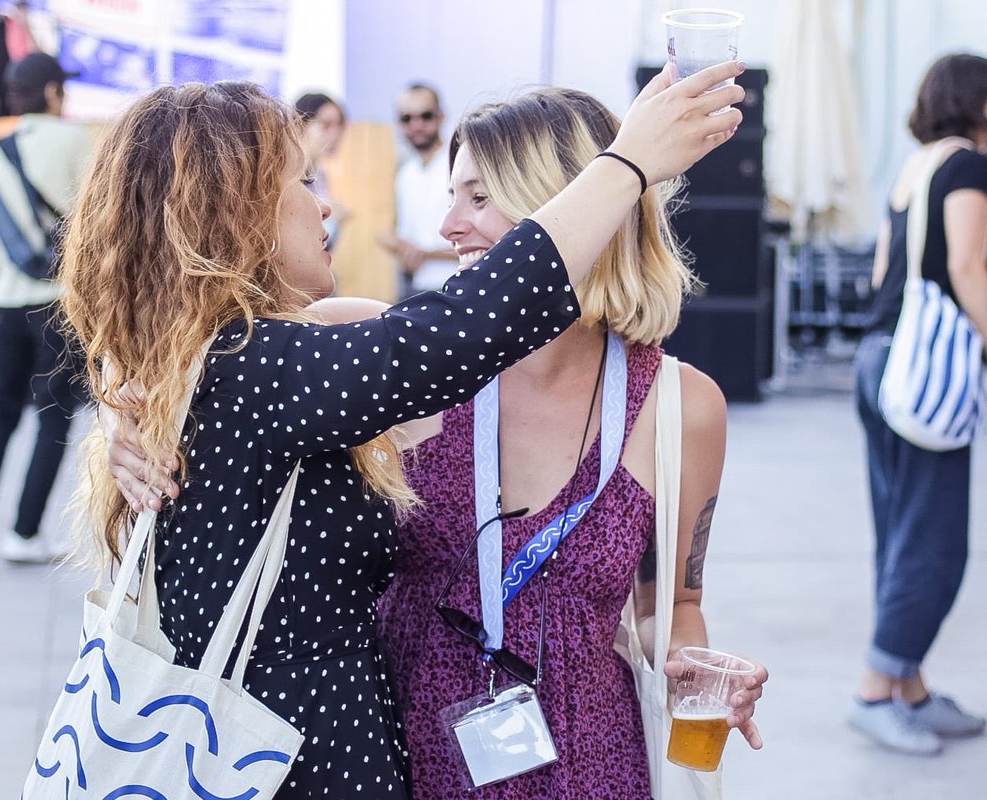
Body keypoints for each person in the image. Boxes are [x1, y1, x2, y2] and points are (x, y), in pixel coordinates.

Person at [67, 65, 745, 798]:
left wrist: (692, 670)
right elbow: (183, 340)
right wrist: (118, 403)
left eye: (480, 197)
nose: (449, 226)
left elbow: (669, 607)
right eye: (301, 181)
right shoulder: (356, 354)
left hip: (583, 760)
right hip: (382, 750)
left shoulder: (680, 405)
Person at [849, 53, 987, 755]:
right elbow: (966, 265)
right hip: (927, 370)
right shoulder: (966, 165)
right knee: (934, 542)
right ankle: (876, 689)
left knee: (900, 531)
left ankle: (910, 686)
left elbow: (882, 270)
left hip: (881, 360)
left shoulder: (914, 166)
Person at [0, 52, 94, 563]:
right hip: (59, 305)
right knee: (53, 418)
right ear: (53, 92)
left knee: (0, 413)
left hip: (7, 300)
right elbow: (95, 222)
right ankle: (25, 534)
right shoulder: (76, 141)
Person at [377, 83, 459, 299]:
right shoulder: (406, 173)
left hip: (457, 286)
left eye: (425, 116)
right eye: (407, 118)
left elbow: (487, 240)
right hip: (414, 289)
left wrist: (424, 253)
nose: (417, 125)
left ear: (441, 116)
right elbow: (403, 234)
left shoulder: (460, 164)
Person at [294, 92, 348, 252]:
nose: (335, 134)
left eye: (340, 125)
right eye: (326, 125)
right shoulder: (287, 176)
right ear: (300, 125)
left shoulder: (319, 176)